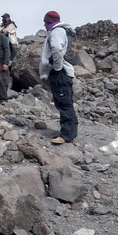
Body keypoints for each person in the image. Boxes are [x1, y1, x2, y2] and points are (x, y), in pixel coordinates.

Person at [39, 11, 78, 145]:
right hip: (65, 72)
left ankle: (66, 135)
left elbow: (56, 49)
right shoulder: (65, 31)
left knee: (63, 102)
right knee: (66, 101)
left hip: (60, 73)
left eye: (45, 21)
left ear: (48, 21)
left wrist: (56, 67)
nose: (44, 24)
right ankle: (71, 131)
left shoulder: (57, 32)